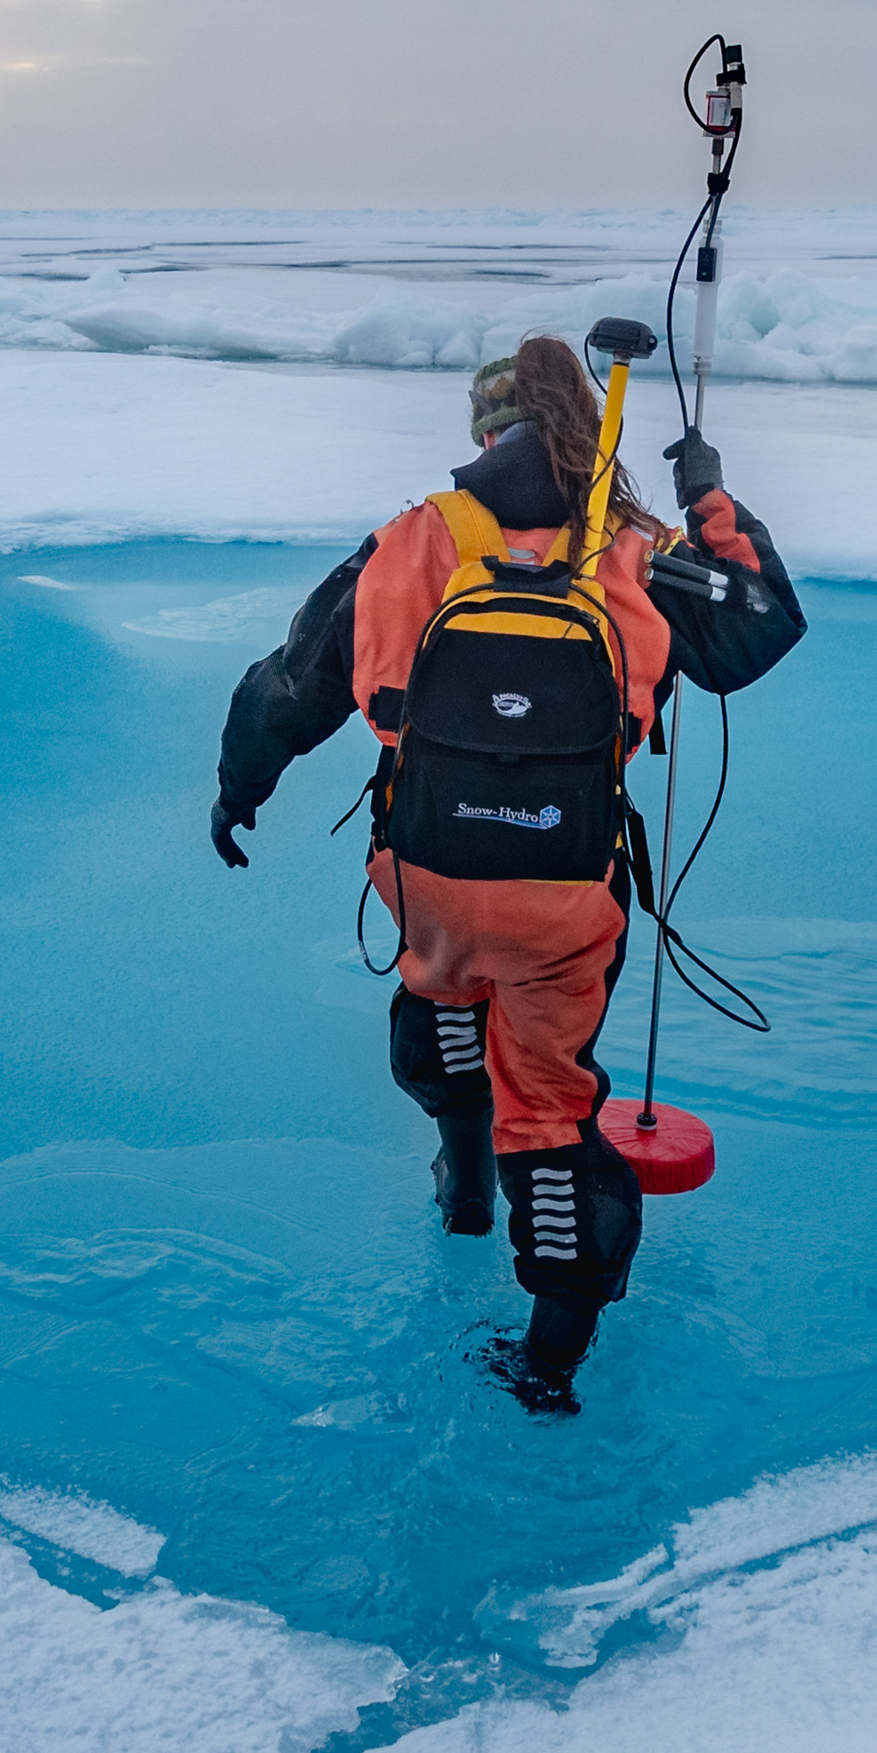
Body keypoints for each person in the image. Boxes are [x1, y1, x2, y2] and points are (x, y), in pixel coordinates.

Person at [209, 334, 805, 1410]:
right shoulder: (635, 545)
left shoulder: (413, 539)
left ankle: (464, 1179)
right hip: (564, 898)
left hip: (426, 875)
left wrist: (237, 788)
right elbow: (759, 635)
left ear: (484, 434)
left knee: (439, 990)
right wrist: (713, 501)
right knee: (549, 1104)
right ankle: (546, 1365)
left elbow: (291, 687)